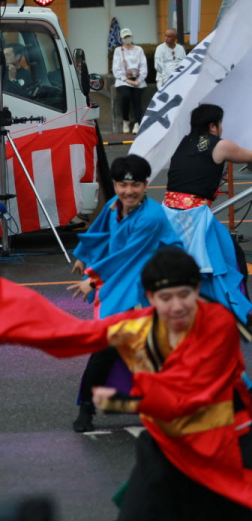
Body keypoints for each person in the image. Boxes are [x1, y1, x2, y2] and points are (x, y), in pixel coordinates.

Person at [0, 248, 252, 521]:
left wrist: (130, 401)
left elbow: (193, 389)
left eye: (185, 295)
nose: (177, 307)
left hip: (222, 447)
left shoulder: (217, 324)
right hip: (169, 449)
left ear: (196, 292)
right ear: (151, 298)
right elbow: (72, 333)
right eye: (166, 297)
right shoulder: (138, 326)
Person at [67, 155, 182, 432]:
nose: (128, 191)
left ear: (146, 185)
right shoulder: (114, 205)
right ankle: (87, 408)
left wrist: (92, 281)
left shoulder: (151, 217)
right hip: (126, 279)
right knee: (106, 347)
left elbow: (129, 256)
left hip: (153, 283)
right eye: (122, 184)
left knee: (154, 350)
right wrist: (83, 256)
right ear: (116, 185)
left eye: (135, 185)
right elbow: (101, 233)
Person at [162, 103, 252, 331]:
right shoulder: (221, 146)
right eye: (220, 124)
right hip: (193, 218)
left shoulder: (183, 142)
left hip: (169, 213)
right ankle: (239, 312)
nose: (222, 128)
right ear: (213, 126)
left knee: (226, 256)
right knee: (228, 263)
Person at [112, 27, 147, 133]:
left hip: (137, 80)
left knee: (137, 98)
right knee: (126, 96)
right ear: (121, 39)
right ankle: (125, 120)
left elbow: (143, 66)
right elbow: (116, 67)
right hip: (123, 80)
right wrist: (125, 79)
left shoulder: (139, 49)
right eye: (125, 37)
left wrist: (139, 80)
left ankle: (137, 123)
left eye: (128, 36)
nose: (127, 39)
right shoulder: (118, 50)